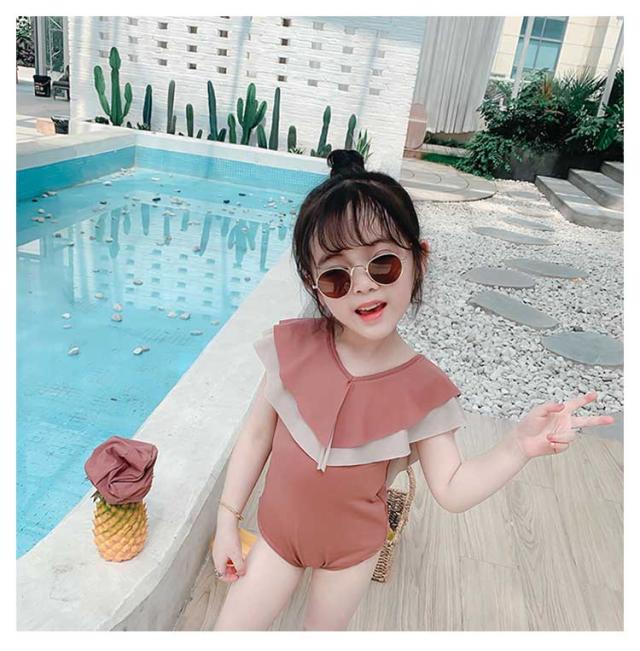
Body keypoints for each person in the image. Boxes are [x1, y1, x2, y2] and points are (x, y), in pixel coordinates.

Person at [211, 149, 614, 631]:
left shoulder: (423, 391)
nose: (362, 286)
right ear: (312, 283)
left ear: (418, 259)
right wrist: (227, 520)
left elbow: (452, 488)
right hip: (277, 538)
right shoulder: (292, 349)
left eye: (382, 264)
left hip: (349, 555)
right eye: (336, 275)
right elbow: (257, 436)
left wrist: (517, 448)